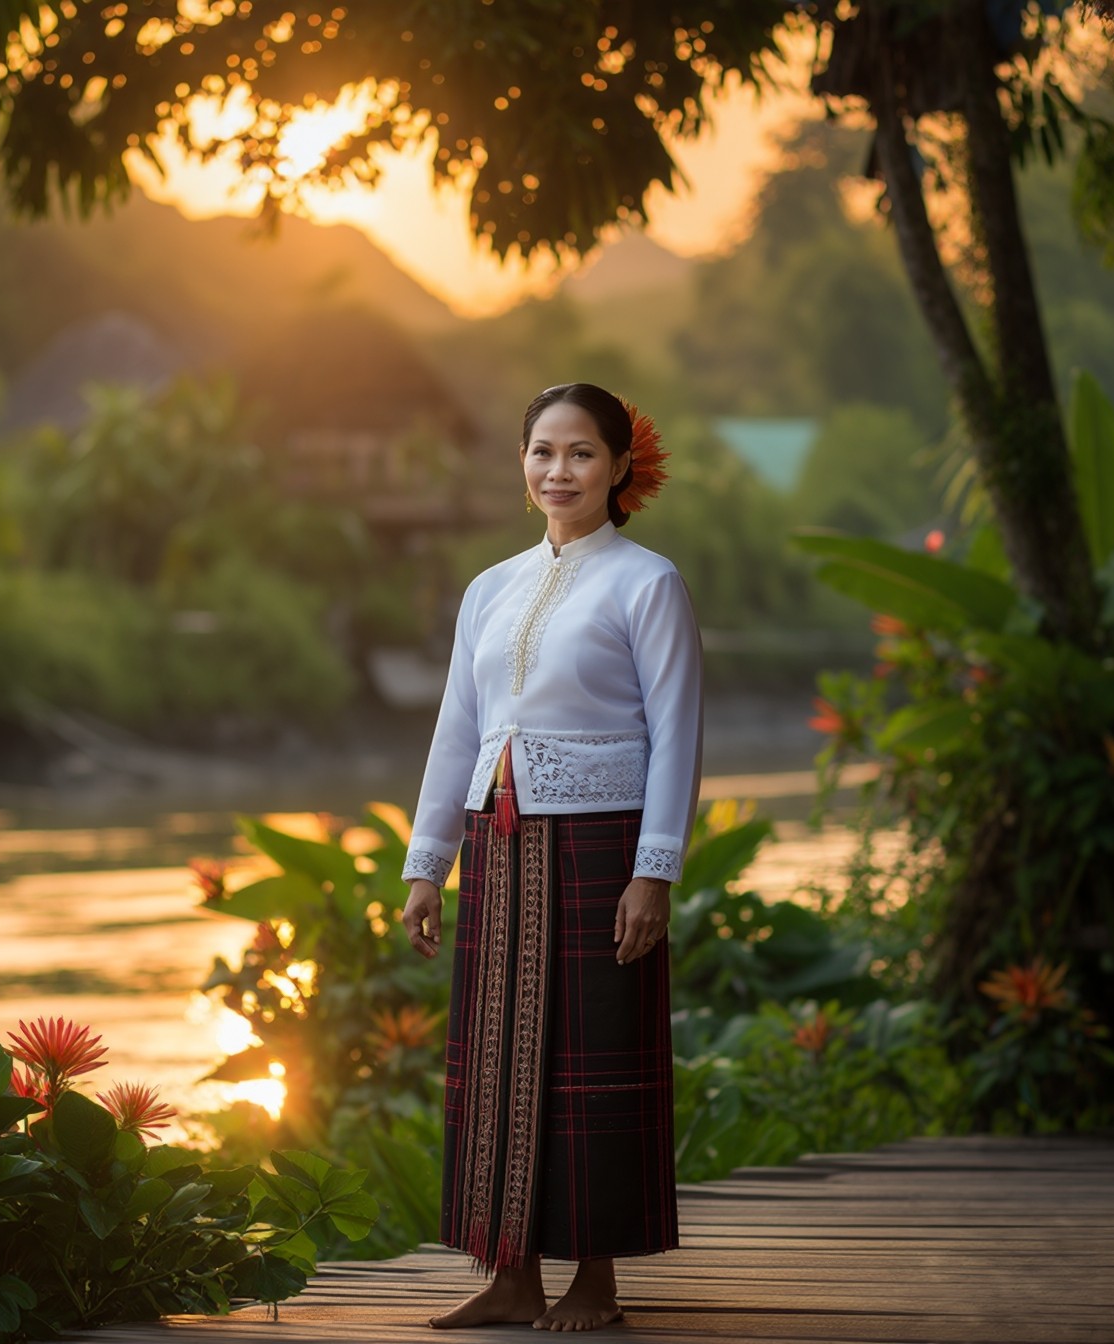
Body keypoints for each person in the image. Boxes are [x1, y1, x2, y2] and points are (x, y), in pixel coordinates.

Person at [400, 382, 703, 1333]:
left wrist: (654, 869)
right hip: (500, 845)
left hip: (604, 847)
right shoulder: (489, 588)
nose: (558, 470)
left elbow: (678, 731)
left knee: (595, 1051)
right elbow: (459, 729)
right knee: (499, 1055)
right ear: (522, 465)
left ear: (619, 467)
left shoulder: (647, 581)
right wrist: (426, 862)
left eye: (579, 453)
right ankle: (512, 1274)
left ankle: (595, 1281)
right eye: (541, 451)